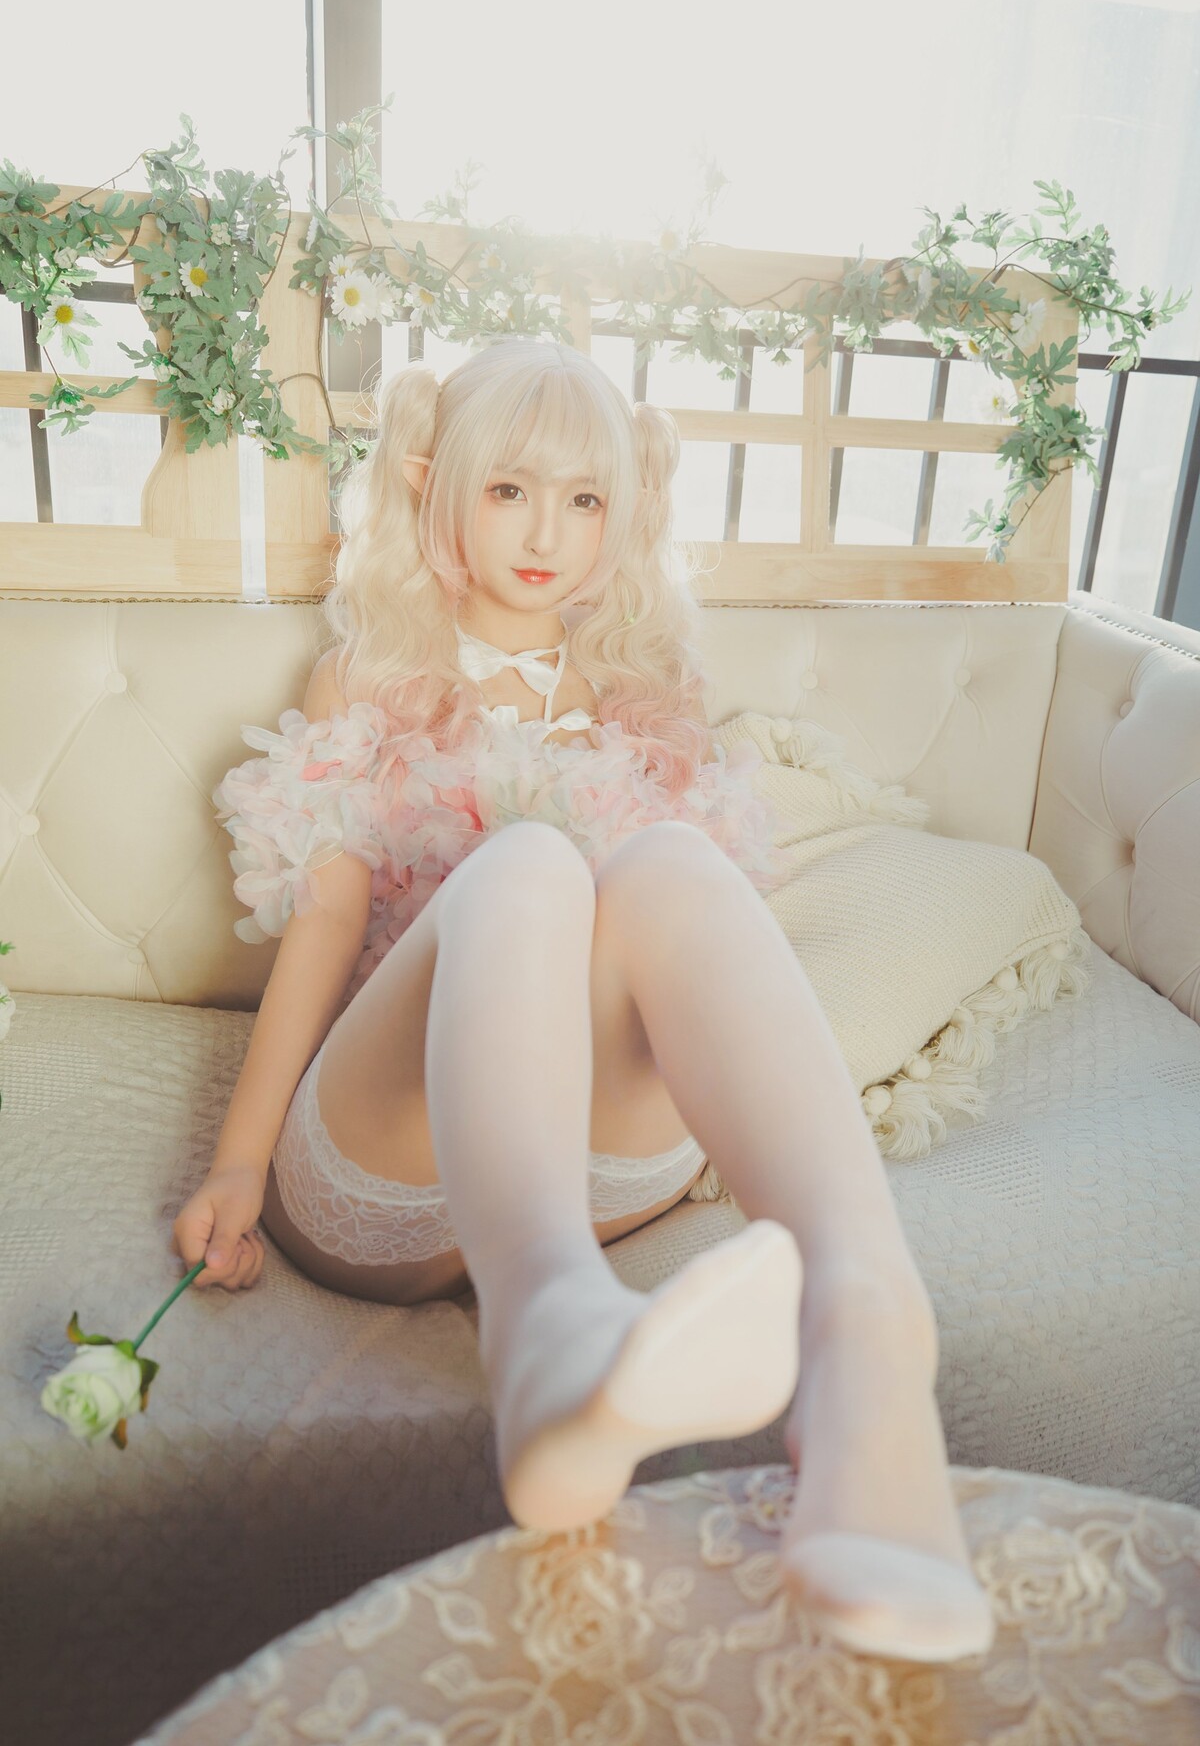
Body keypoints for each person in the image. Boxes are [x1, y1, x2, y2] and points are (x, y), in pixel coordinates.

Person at [172, 335, 994, 1663]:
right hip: (398, 1148)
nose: (546, 534)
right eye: (508, 491)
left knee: (666, 862)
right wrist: (237, 1162)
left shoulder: (645, 699)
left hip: (607, 1157)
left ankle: (870, 1349)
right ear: (436, 485)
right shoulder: (369, 681)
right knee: (531, 864)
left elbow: (696, 975)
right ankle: (548, 1329)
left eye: (584, 499)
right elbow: (321, 934)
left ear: (626, 512)